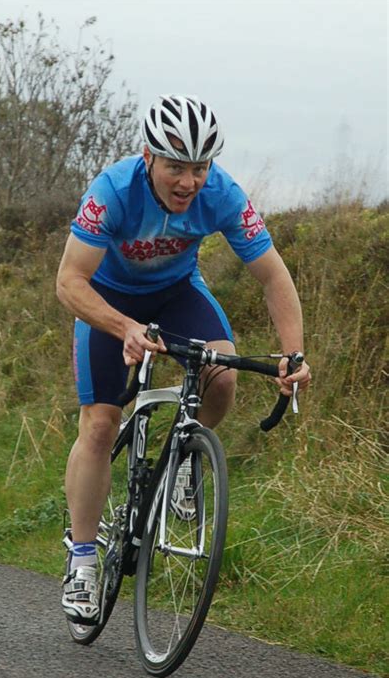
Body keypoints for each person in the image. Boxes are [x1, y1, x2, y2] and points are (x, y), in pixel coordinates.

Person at [56, 94, 311, 623]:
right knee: (101, 425)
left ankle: (182, 460)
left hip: (177, 294)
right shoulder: (111, 193)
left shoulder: (221, 193)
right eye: (176, 167)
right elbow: (68, 282)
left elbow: (273, 275)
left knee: (222, 375)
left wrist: (293, 353)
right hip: (108, 302)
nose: (188, 182)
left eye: (200, 168)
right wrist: (122, 326)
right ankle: (82, 557)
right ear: (148, 158)